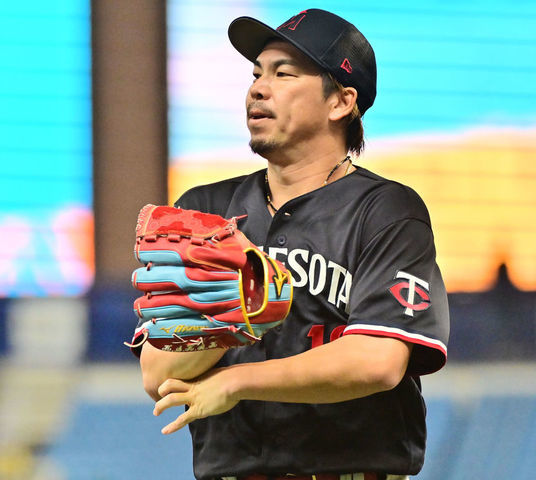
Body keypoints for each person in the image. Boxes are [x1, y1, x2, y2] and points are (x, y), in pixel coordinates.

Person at [132, 8, 449, 480]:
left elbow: (379, 359)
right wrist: (239, 312)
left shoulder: (385, 210)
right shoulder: (205, 210)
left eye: (284, 73)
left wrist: (237, 381)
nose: (259, 88)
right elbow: (158, 374)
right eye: (257, 73)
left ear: (341, 102)